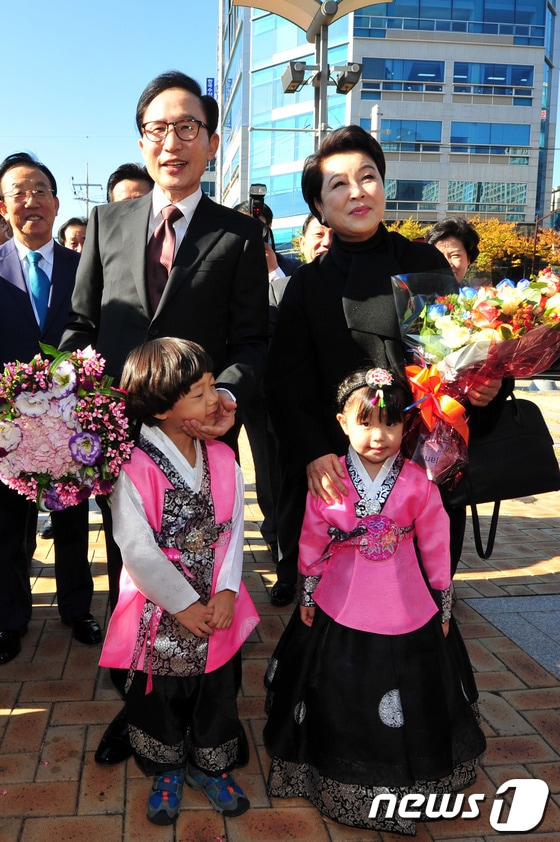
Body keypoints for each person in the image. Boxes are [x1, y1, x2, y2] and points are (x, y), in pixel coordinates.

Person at [59, 70, 268, 766]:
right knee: (134, 569)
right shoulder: (110, 223)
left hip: (203, 436)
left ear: (210, 142)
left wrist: (229, 398)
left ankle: (206, 712)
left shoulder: (237, 234)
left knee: (206, 568)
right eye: (156, 129)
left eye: (186, 128)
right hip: (122, 442)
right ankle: (141, 704)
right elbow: (83, 322)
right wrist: (61, 393)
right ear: (142, 141)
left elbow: (253, 341)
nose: (171, 142)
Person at [266, 125, 506, 607]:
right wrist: (313, 453)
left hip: (428, 461)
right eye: (338, 184)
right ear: (319, 206)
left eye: (368, 177)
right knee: (347, 601)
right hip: (343, 468)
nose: (357, 192)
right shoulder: (308, 285)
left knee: (421, 593)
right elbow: (285, 384)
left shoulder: (422, 262)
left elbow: (468, 346)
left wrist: (490, 384)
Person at [263, 367, 486, 834]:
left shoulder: (419, 481)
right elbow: (312, 537)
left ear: (407, 426)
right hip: (339, 598)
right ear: (342, 423)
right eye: (365, 423)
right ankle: (336, 769)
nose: (379, 436)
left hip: (406, 598)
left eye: (390, 423)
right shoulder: (328, 478)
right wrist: (308, 587)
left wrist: (442, 600)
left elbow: (435, 543)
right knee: (336, 683)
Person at [99, 337, 259, 825]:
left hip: (217, 599)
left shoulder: (222, 457)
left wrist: (228, 590)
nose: (214, 400)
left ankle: (210, 764)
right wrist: (183, 604)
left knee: (217, 687)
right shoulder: (133, 465)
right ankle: (166, 765)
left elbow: (233, 529)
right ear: (163, 407)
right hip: (160, 608)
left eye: (212, 385)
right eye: (198, 393)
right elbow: (136, 546)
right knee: (161, 693)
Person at [0, 152, 101, 665]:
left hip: (70, 424)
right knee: (7, 526)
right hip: (7, 430)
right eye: (18, 191)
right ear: (4, 205)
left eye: (40, 189)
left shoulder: (84, 267)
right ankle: (10, 618)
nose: (30, 200)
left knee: (71, 519)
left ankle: (77, 607)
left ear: (57, 203)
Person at [425, 216, 480, 283]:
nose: (447, 263)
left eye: (455, 255)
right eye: (439, 256)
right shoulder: (416, 291)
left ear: (468, 258)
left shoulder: (477, 292)